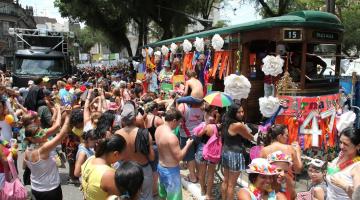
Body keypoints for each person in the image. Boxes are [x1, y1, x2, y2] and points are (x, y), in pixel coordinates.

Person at [23, 105, 69, 200]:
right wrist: (68, 117)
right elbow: (62, 134)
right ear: (31, 138)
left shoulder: (27, 150)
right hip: (50, 190)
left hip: (35, 188)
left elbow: (24, 166)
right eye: (40, 134)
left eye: (42, 131)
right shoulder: (43, 149)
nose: (44, 134)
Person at [116, 101, 155, 200]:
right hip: (143, 170)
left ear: (123, 120)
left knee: (126, 196)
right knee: (146, 196)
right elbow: (152, 157)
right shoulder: (145, 134)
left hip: (125, 170)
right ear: (134, 118)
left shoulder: (117, 133)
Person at [155, 109, 194, 200]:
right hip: (171, 171)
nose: (180, 124)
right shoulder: (171, 137)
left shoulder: (158, 129)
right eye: (179, 122)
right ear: (174, 121)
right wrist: (187, 145)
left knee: (163, 194)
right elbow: (179, 158)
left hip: (160, 166)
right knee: (174, 197)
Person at [221, 104, 254, 200]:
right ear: (233, 113)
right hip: (235, 154)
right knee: (232, 184)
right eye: (239, 112)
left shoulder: (226, 121)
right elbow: (250, 137)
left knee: (226, 181)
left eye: (242, 111)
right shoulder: (238, 125)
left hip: (226, 151)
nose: (242, 114)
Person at [81, 134, 127, 200]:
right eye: (123, 154)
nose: (124, 157)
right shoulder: (109, 174)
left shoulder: (90, 159)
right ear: (116, 154)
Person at [326, 127, 360, 200]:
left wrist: (344, 186)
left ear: (358, 146)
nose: (341, 146)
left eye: (346, 144)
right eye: (340, 142)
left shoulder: (357, 167)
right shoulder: (341, 155)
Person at [194, 104, 220, 199]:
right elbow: (216, 130)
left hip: (202, 147)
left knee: (202, 171)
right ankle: (208, 194)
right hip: (212, 149)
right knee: (210, 173)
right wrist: (217, 118)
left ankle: (202, 189)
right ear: (213, 109)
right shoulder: (213, 120)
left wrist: (204, 128)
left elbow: (199, 135)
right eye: (215, 109)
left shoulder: (204, 117)